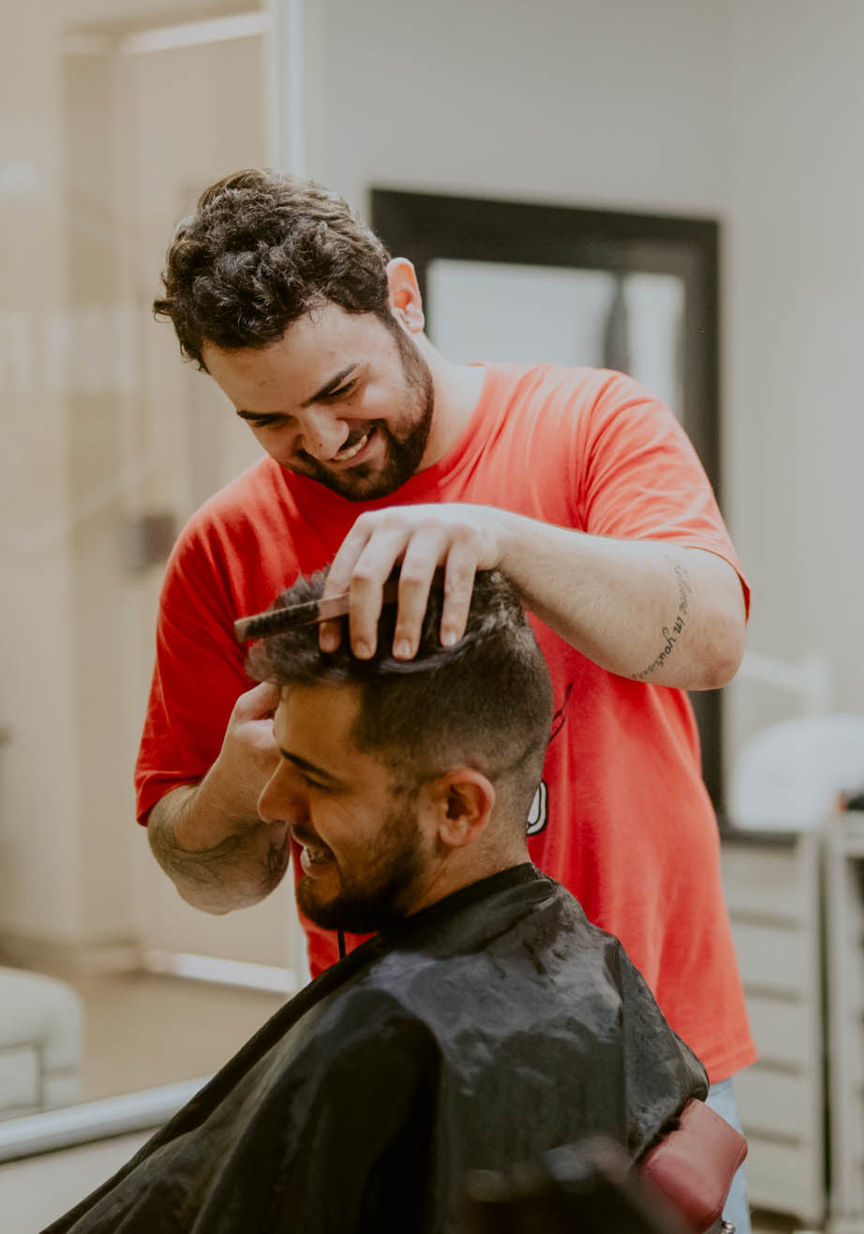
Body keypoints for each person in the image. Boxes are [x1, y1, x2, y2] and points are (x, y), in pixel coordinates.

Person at [135, 170, 755, 1230]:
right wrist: (238, 789)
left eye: (341, 392)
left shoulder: (592, 424)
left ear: (404, 300)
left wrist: (502, 538)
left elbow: (709, 637)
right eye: (271, 420)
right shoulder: (224, 549)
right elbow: (206, 872)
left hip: (645, 1059)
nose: (323, 444)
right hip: (406, 1077)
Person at [51, 571, 710, 1234]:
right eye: (279, 758)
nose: (270, 805)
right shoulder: (598, 970)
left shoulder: (381, 1040)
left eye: (315, 779)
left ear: (456, 807)